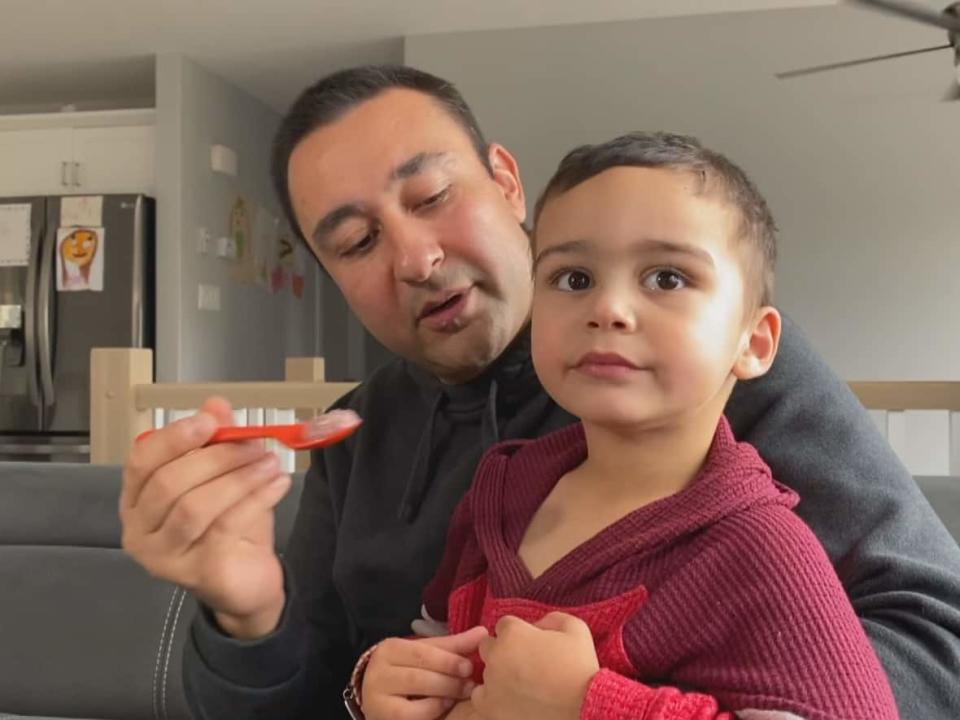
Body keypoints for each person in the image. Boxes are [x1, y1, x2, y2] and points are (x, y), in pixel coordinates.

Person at [118, 65, 960, 720]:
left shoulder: (703, 376)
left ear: (507, 184)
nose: (414, 257)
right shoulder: (365, 428)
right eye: (357, 240)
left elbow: (936, 645)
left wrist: (596, 699)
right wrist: (248, 614)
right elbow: (321, 696)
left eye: (433, 196)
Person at [359, 131, 898, 720]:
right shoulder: (501, 491)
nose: (607, 308)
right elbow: (436, 645)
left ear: (755, 342)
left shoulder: (763, 552)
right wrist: (384, 684)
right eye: (573, 279)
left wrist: (590, 706)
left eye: (667, 278)